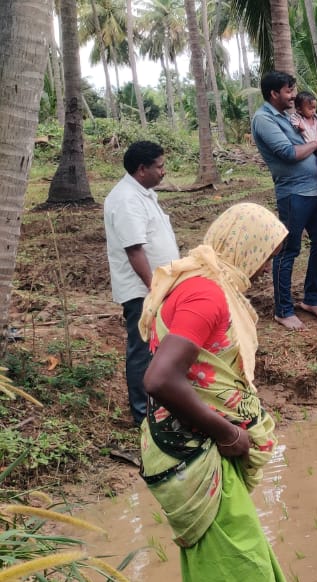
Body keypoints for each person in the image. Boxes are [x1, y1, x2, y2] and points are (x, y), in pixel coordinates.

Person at [139, 203, 289, 582]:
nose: (265, 269)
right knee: (241, 563)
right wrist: (230, 433)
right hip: (197, 448)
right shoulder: (206, 294)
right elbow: (160, 378)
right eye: (265, 257)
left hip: (186, 443)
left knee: (222, 557)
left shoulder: (193, 281)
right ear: (246, 248)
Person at [104, 140, 181, 425]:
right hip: (142, 291)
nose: (164, 172)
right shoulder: (125, 199)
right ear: (141, 169)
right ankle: (142, 413)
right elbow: (134, 249)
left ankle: (161, 403)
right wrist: (154, 289)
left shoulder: (143, 193)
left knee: (158, 346)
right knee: (141, 348)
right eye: (159, 167)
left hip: (157, 287)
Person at [251, 70, 317, 330]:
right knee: (289, 251)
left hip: (315, 191)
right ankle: (283, 310)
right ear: (274, 93)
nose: (293, 95)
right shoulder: (264, 119)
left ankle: (311, 298)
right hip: (294, 194)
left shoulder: (288, 118)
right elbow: (288, 153)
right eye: (288, 91)